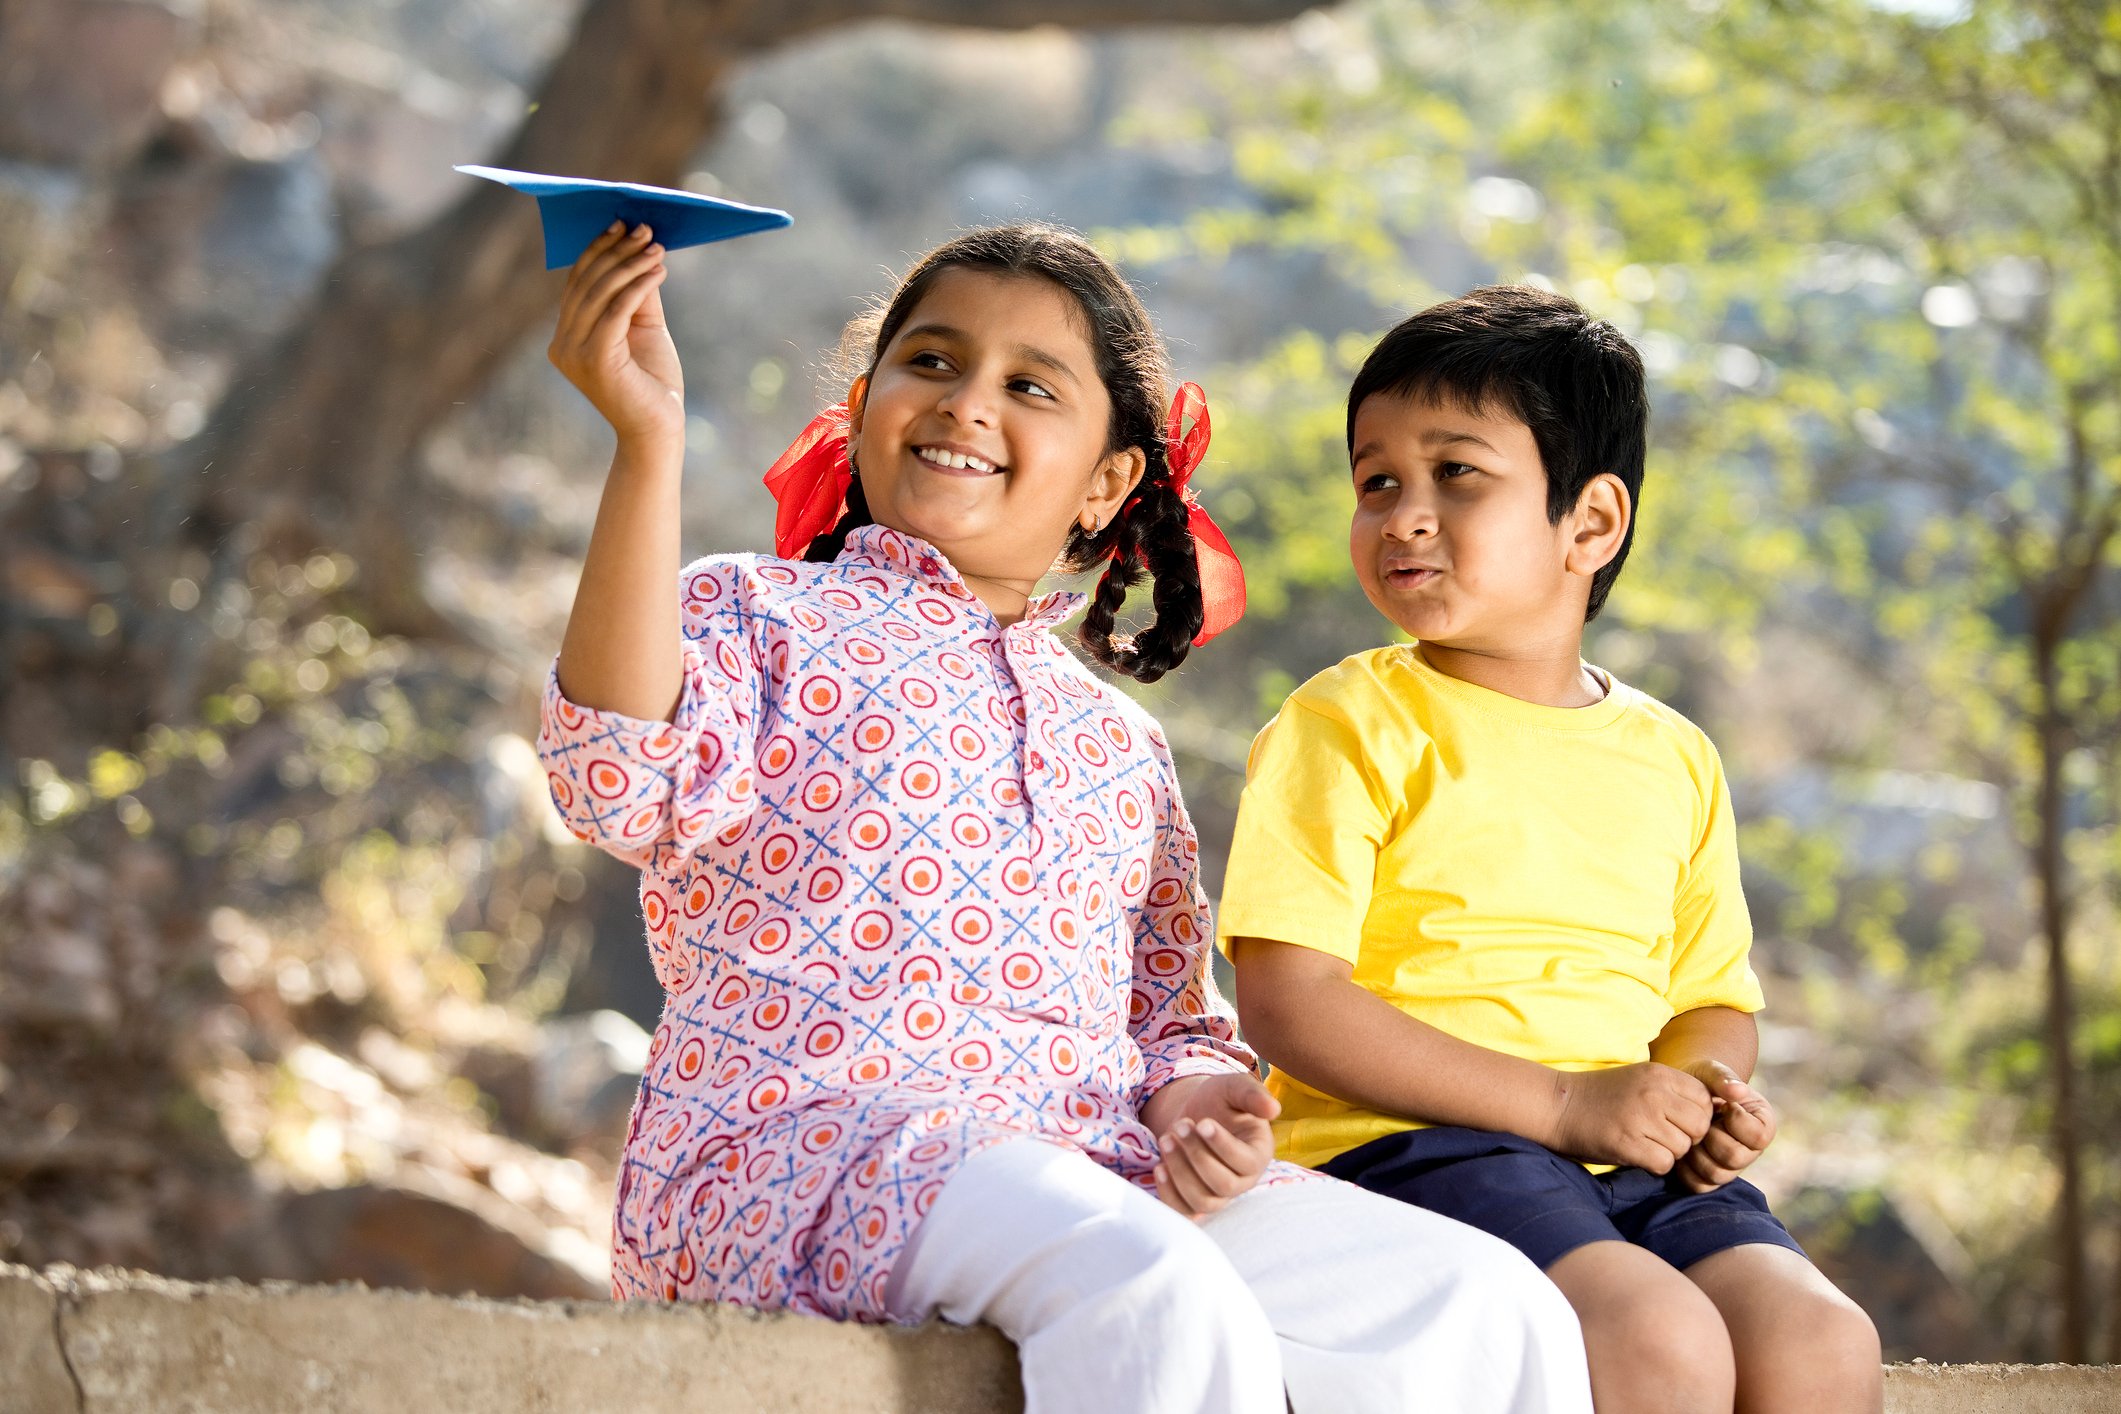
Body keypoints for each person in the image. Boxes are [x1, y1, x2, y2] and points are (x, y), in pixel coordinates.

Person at [534, 221, 1590, 1414]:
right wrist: (648, 442)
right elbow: (614, 779)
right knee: (1153, 1290)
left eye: (1030, 385)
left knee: (1487, 1306)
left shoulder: (1119, 744)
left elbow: (1167, 1019)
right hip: (796, 1152)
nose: (966, 401)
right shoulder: (755, 613)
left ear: (1107, 483)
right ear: (862, 411)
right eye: (931, 361)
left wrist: (1196, 1104)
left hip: (1097, 1169)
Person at [1219, 285, 1882, 1414]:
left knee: (1820, 1339)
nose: (1403, 515)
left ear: (1591, 523)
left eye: (1455, 473)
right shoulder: (1346, 723)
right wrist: (1567, 1107)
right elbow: (1289, 1003)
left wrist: (1698, 1098)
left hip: (1632, 1167)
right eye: (1376, 482)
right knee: (1659, 1337)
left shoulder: (1674, 756)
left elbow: (1710, 1002)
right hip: (1414, 1148)